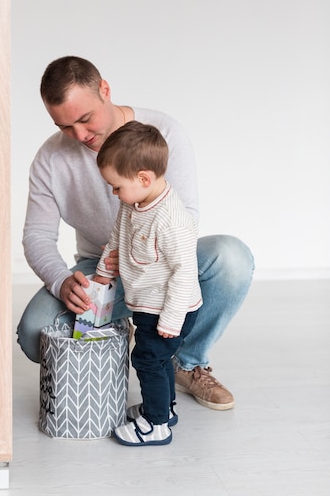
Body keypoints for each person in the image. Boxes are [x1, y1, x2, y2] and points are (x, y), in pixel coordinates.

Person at [17, 55, 254, 412]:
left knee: (232, 259)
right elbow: (37, 235)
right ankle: (123, 329)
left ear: (105, 90)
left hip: (161, 263)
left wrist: (142, 257)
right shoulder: (50, 159)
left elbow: (186, 219)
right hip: (101, 267)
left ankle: (185, 361)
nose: (80, 136)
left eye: (85, 119)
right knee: (35, 333)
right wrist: (61, 280)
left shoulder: (162, 132)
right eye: (65, 126)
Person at [92, 120, 202, 446]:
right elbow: (115, 239)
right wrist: (102, 273)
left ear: (143, 178)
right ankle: (164, 407)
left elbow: (184, 271)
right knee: (158, 359)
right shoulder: (132, 203)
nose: (114, 194)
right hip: (147, 303)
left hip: (169, 309)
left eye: (116, 186)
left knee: (146, 359)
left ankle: (156, 425)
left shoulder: (171, 218)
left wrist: (171, 318)